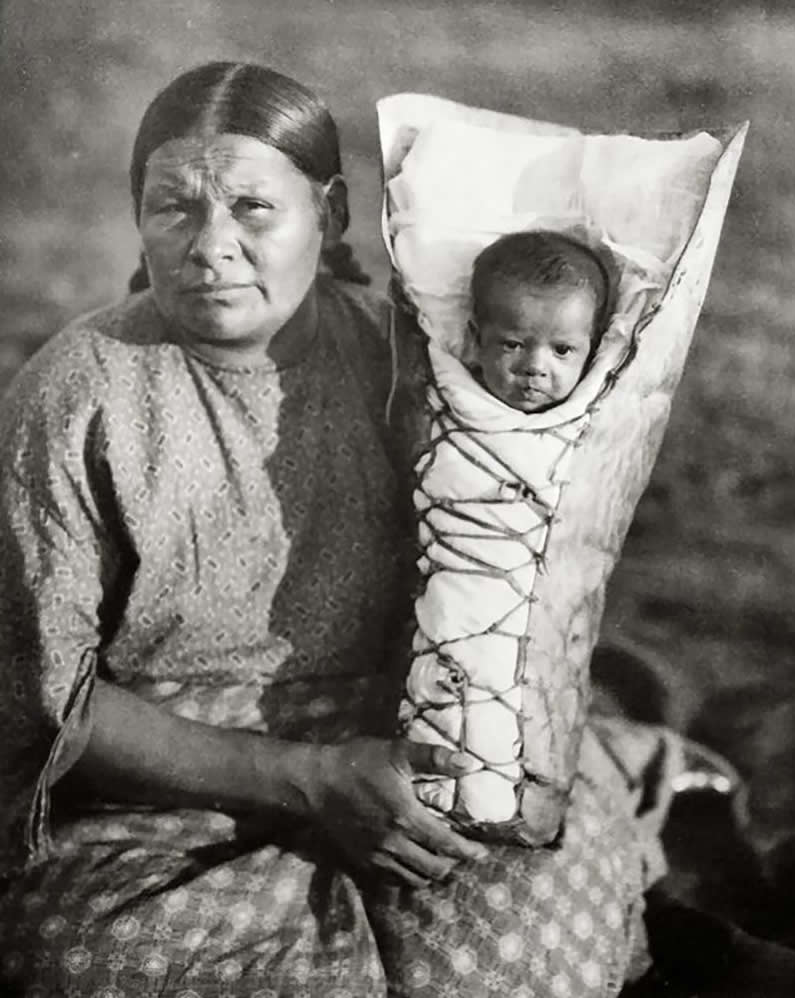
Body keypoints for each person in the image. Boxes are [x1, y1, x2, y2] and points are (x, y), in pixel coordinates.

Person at [0, 61, 675, 998]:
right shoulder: (78, 395)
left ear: (334, 212)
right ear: (137, 216)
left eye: (252, 208)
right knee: (91, 961)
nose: (211, 246)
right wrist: (308, 780)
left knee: (529, 949)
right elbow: (43, 699)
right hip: (168, 796)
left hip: (419, 764)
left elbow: (518, 564)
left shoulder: (417, 368)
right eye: (174, 209)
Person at [468, 229, 613, 413]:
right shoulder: (449, 394)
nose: (535, 367)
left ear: (593, 349)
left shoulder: (600, 412)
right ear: (477, 340)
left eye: (562, 350)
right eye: (513, 345)